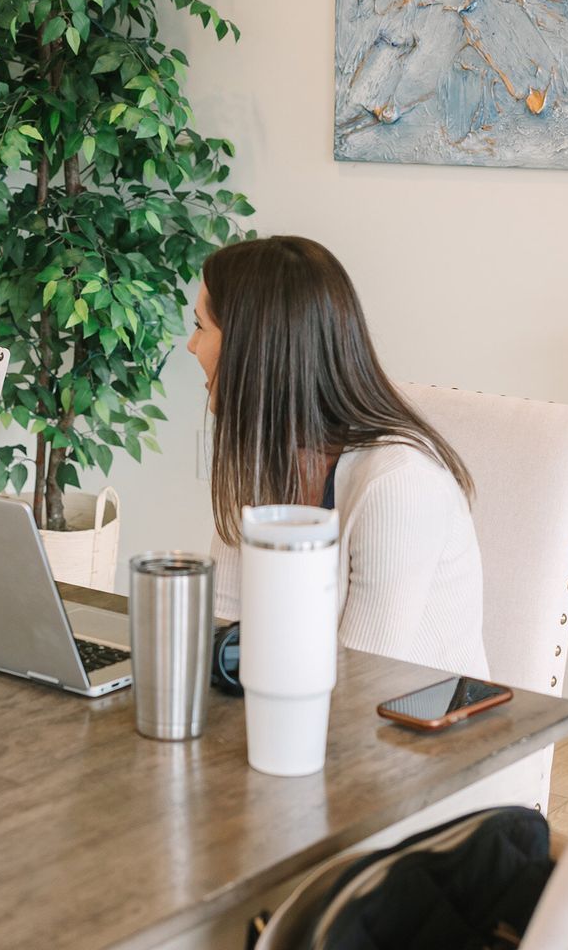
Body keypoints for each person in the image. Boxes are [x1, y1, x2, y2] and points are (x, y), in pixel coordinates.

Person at [186, 235, 489, 675]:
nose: (192, 346)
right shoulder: (266, 455)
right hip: (299, 708)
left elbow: (360, 679)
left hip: (410, 728)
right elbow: (224, 627)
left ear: (255, 346)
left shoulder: (398, 483)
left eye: (200, 327)